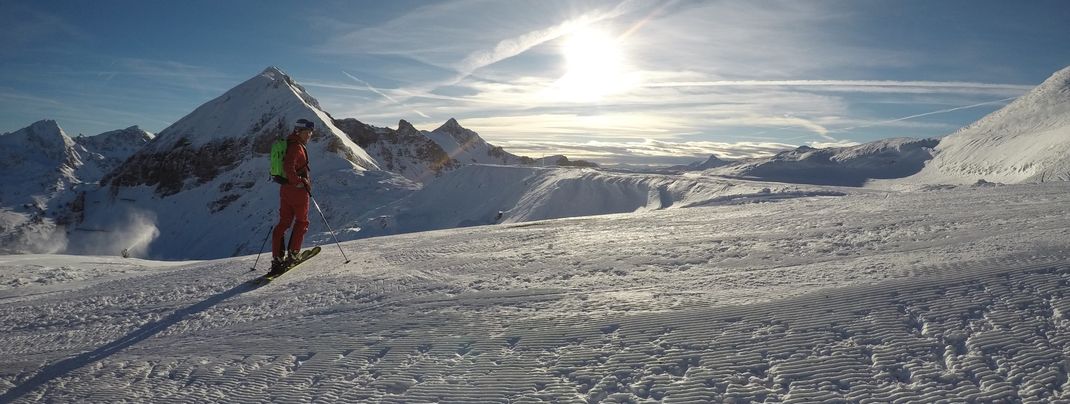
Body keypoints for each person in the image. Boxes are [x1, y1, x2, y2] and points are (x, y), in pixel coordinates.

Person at [270, 118, 314, 274]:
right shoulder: (296, 147)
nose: (309, 135)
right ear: (298, 131)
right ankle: (293, 254)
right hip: (298, 192)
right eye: (307, 132)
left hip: (286, 190)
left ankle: (277, 259)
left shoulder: (288, 144)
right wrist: (299, 182)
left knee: (284, 223)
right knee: (302, 222)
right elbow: (289, 166)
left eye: (310, 133)